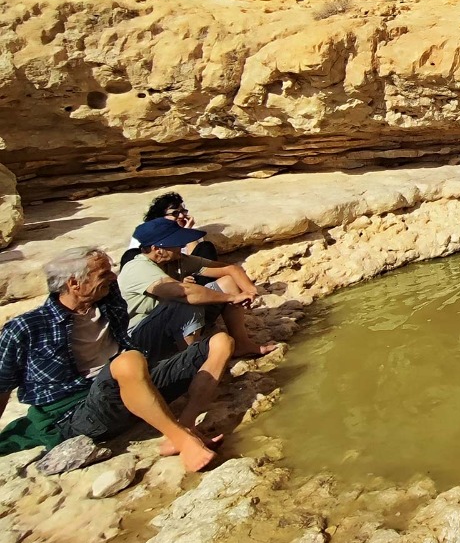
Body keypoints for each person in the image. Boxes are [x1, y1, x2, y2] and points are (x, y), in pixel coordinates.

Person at [0, 247, 233, 471]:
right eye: (104, 273)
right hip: (76, 413)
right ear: (74, 284)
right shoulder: (25, 328)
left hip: (126, 387)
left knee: (221, 341)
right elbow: (2, 385)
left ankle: (185, 426)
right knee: (129, 360)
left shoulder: (109, 301)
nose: (114, 277)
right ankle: (183, 442)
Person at [118, 218, 276, 361]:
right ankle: (192, 361)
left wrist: (250, 292)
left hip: (173, 322)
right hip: (143, 335)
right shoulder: (137, 268)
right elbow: (184, 292)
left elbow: (229, 269)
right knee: (187, 302)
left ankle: (242, 344)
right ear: (158, 249)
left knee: (227, 283)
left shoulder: (176, 260)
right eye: (177, 243)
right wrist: (232, 298)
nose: (182, 247)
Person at [121, 192, 217, 277]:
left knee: (206, 247)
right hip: (156, 275)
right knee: (131, 253)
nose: (181, 216)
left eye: (183, 212)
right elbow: (135, 257)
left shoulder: (192, 231)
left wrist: (186, 231)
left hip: (188, 275)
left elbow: (196, 259)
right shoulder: (145, 231)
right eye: (175, 213)